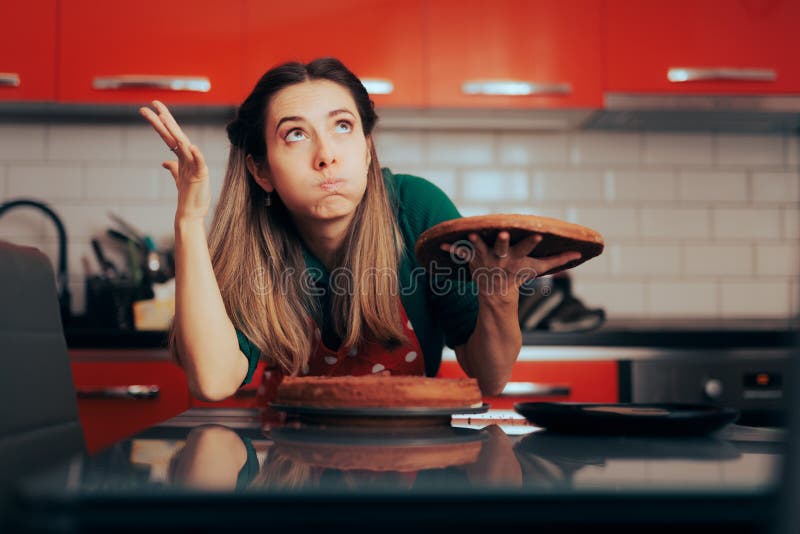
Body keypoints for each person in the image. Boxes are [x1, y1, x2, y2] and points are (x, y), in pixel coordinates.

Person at [139, 57, 581, 402]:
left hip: (409, 467)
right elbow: (214, 382)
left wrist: (499, 297)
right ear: (261, 171)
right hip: (292, 475)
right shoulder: (256, 246)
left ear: (367, 151)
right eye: (296, 135)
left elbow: (490, 377)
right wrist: (190, 219)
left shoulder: (417, 210)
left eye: (343, 127)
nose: (326, 154)